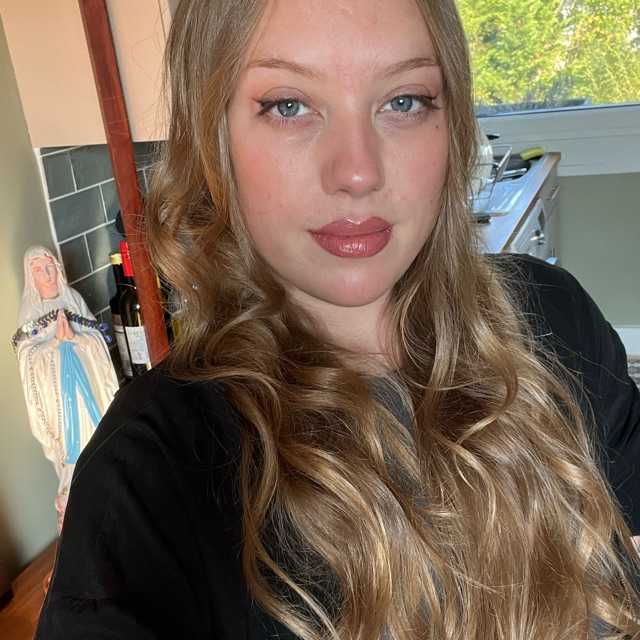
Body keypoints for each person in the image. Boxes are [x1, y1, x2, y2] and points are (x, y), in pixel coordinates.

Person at [36, 1, 640, 638]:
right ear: (215, 138)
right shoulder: (152, 475)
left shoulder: (552, 319)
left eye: (404, 101)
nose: (358, 172)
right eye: (289, 106)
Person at [13, 246, 119, 533]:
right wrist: (55, 344)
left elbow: (97, 338)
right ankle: (77, 503)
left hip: (87, 387)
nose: (47, 274)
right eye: (39, 270)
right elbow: (27, 358)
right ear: (31, 276)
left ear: (57, 268)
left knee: (97, 431)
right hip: (60, 395)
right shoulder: (31, 311)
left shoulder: (72, 299)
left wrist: (75, 338)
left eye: (49, 267)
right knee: (73, 444)